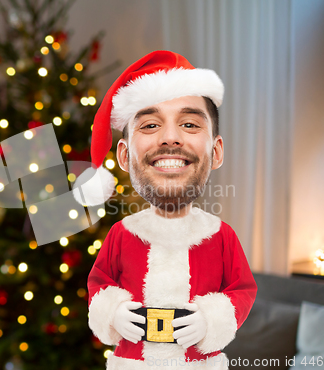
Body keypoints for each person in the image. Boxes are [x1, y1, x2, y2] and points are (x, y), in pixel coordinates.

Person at [72, 50, 257, 370]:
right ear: (124, 156)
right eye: (150, 125)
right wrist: (112, 313)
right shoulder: (121, 235)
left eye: (188, 123)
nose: (170, 137)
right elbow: (99, 284)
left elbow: (241, 290)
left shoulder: (222, 236)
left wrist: (212, 321)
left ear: (215, 152)